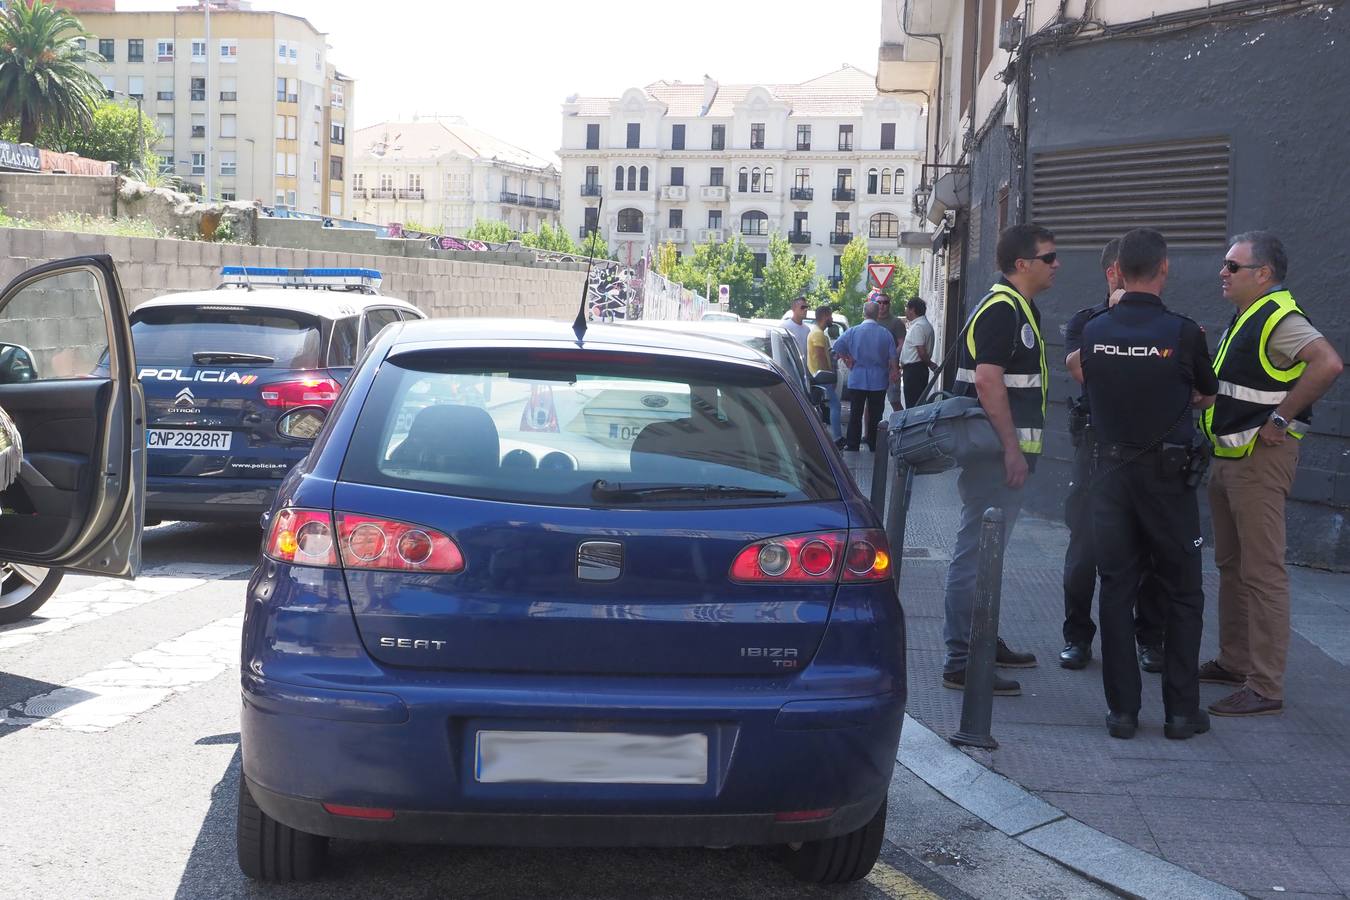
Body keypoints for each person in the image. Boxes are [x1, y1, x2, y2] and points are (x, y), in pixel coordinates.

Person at [1080, 228, 1218, 740]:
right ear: (1163, 268)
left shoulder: (1094, 330)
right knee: (1183, 592)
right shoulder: (1183, 333)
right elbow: (1206, 393)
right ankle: (1181, 713)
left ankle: (1122, 713)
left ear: (1118, 270)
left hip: (1110, 476)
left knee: (1116, 589)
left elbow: (1090, 379)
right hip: (1168, 478)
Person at [1199, 231, 1344, 717]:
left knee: (1261, 572)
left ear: (1263, 274)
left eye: (1233, 266)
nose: (1224, 271)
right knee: (1233, 565)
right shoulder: (1245, 318)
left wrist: (1280, 420)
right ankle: (1235, 660)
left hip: (1259, 464)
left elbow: (1327, 363)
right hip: (1232, 460)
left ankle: (1264, 685)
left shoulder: (1279, 317)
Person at [940, 224, 1052, 696]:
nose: (1056, 264)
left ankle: (981, 640)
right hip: (994, 457)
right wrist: (1012, 449)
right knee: (976, 553)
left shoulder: (1019, 308)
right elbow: (988, 382)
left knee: (989, 555)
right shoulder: (1002, 309)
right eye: (1049, 257)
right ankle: (962, 658)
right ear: (1022, 264)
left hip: (1002, 455)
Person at [1059, 239, 1166, 673]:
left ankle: (1149, 639)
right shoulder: (1086, 322)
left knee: (1149, 551)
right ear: (1114, 274)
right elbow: (1085, 371)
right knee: (1084, 550)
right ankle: (1077, 637)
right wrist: (1118, 319)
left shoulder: (1169, 324)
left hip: (1150, 450)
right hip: (1097, 450)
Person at [832, 300, 898, 452]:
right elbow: (893, 356)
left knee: (856, 412)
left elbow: (837, 347)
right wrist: (894, 372)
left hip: (857, 378)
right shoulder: (885, 334)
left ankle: (853, 443)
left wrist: (847, 358)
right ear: (876, 315)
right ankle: (874, 443)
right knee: (876, 413)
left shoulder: (853, 332)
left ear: (864, 313)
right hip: (879, 379)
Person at [807, 305, 843, 445]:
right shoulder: (818, 334)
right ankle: (837, 438)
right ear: (825, 316)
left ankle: (833, 437)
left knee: (829, 406)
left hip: (820, 377)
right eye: (831, 316)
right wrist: (829, 375)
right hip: (821, 377)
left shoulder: (818, 333)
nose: (832, 319)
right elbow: (820, 356)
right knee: (835, 405)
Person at [899, 297, 937, 408]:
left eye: (906, 308)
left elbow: (921, 351)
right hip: (916, 369)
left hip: (915, 371)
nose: (905, 311)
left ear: (912, 309)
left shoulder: (918, 327)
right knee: (916, 403)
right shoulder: (921, 324)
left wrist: (931, 364)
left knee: (913, 405)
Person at [874, 292, 908, 411]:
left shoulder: (896, 322)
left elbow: (902, 343)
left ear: (889, 305)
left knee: (894, 401)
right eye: (879, 302)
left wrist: (891, 359)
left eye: (885, 302)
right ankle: (869, 430)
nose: (882, 305)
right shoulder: (872, 321)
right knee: (871, 404)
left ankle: (902, 428)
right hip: (874, 369)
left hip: (891, 369)